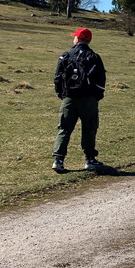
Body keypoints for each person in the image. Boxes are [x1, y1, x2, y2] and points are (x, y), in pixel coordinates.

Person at [52, 27, 107, 172]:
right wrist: (96, 97)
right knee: (89, 129)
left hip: (69, 98)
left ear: (77, 39)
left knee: (64, 128)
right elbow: (101, 80)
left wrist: (62, 94)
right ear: (88, 40)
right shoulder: (94, 57)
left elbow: (57, 78)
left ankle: (58, 160)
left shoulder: (66, 55)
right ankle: (90, 159)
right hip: (89, 99)